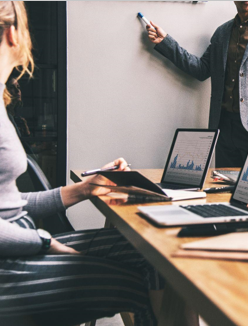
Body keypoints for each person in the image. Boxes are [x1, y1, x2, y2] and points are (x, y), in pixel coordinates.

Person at [0, 2, 163, 325]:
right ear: (13, 34)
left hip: (21, 244)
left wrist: (87, 188)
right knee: (133, 283)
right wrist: (47, 244)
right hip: (10, 265)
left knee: (152, 250)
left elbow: (8, 206)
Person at [147, 1, 248, 167]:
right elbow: (201, 69)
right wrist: (166, 42)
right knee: (224, 189)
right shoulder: (222, 32)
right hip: (223, 128)